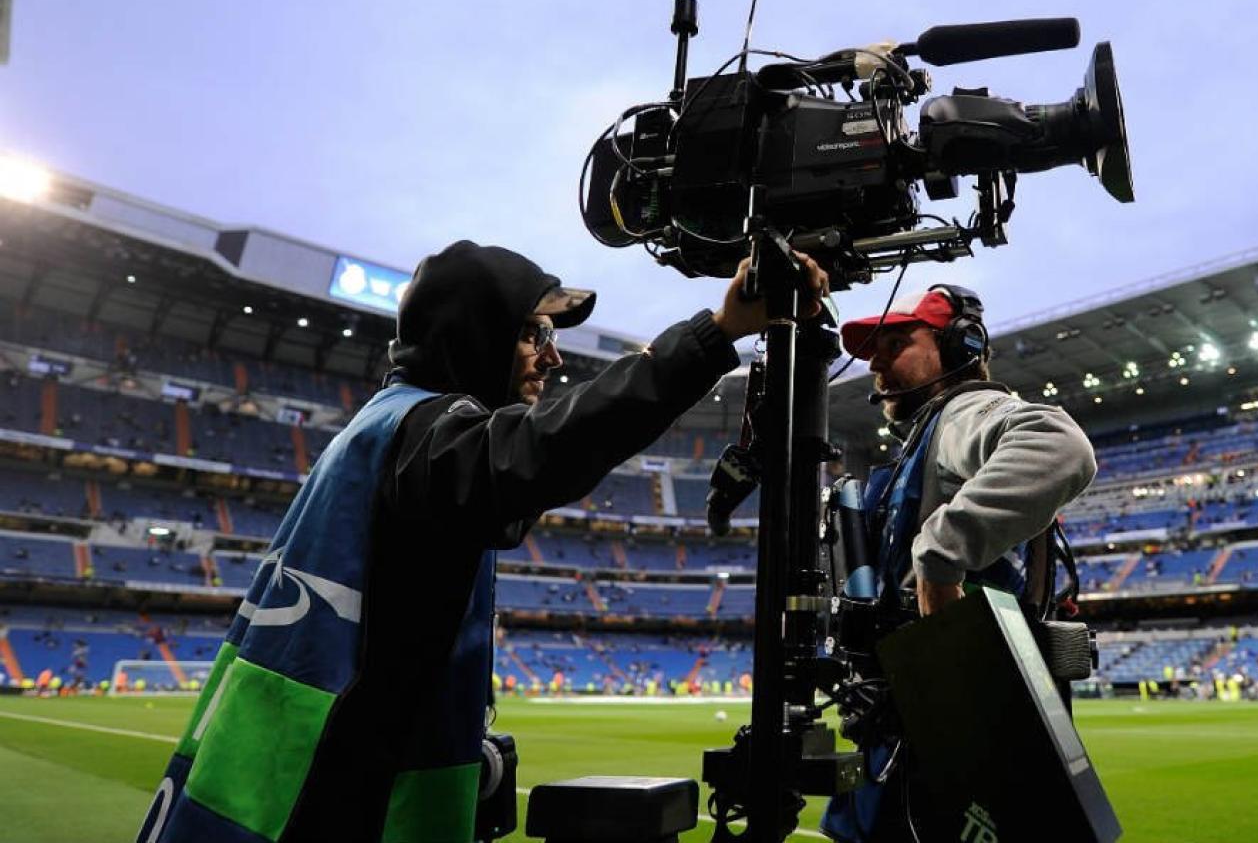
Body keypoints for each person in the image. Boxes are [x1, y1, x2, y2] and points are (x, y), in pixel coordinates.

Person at [138, 240, 826, 843]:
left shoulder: (391, 429)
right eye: (533, 333)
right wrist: (716, 333)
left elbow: (503, 499)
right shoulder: (423, 434)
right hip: (316, 789)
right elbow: (545, 453)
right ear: (473, 336)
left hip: (295, 760)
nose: (553, 356)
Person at [822, 284, 1098, 843]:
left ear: (960, 346)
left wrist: (940, 555)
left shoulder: (962, 410)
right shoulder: (926, 438)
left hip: (957, 725)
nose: (876, 363)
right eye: (873, 352)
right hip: (919, 720)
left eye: (895, 344)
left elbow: (1060, 444)